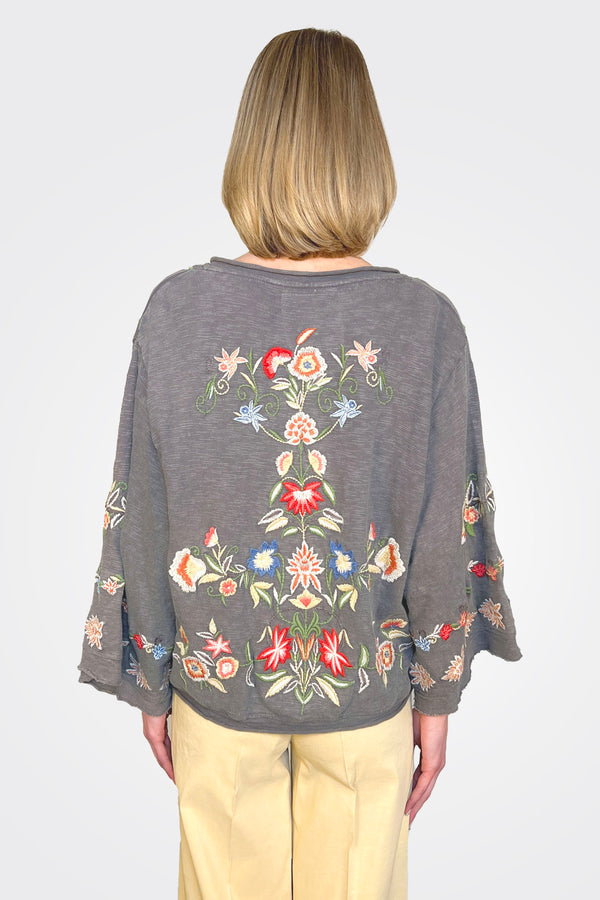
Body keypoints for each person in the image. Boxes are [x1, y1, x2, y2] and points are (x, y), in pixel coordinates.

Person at [77, 27, 522, 900]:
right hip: (366, 697)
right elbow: (446, 529)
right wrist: (437, 697)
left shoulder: (177, 311)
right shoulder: (424, 321)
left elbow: (144, 512)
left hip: (218, 690)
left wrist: (153, 681)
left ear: (251, 149)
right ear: (367, 154)